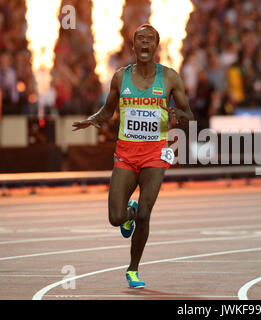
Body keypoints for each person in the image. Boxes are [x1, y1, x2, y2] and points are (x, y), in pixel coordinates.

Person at [72, 24, 194, 288]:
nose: (145, 42)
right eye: (140, 38)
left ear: (156, 46)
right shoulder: (120, 77)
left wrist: (177, 115)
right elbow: (108, 111)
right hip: (125, 155)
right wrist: (91, 120)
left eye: (150, 39)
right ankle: (129, 213)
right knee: (115, 217)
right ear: (134, 47)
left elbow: (190, 116)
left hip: (154, 155)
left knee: (145, 215)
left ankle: (133, 268)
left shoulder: (170, 78)